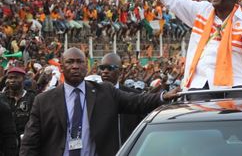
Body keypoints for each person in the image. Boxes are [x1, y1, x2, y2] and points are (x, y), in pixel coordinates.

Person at [20, 47, 179, 156]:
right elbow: (30, 143)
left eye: (79, 62)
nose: (75, 66)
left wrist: (162, 96)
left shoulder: (105, 92)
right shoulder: (43, 101)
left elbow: (137, 101)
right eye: (70, 62)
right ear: (61, 67)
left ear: (87, 66)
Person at [99, 53, 143, 145]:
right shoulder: (92, 96)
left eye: (110, 68)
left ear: (120, 71)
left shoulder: (134, 95)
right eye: (102, 68)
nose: (105, 71)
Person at [1, 66, 35, 144]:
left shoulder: (32, 98)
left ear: (23, 79)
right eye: (10, 78)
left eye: (16, 77)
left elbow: (35, 121)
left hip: (26, 142)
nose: (12, 80)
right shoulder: (1, 98)